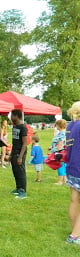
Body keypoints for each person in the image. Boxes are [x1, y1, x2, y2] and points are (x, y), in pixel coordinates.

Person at [65, 101, 80, 245]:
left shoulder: (70, 126)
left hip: (71, 168)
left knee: (74, 200)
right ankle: (75, 235)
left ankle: (74, 231)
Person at [10, 109, 28, 199]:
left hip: (20, 152)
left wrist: (20, 157)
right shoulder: (15, 126)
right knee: (15, 170)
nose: (11, 117)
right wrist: (11, 154)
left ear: (16, 116)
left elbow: (24, 143)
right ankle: (18, 187)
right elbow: (14, 142)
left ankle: (23, 191)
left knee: (20, 171)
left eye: (12, 115)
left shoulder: (23, 127)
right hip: (14, 151)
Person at [50, 119, 67, 185]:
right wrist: (51, 147)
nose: (55, 126)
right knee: (63, 166)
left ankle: (60, 181)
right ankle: (65, 180)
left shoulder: (62, 134)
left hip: (60, 152)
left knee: (60, 166)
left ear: (59, 125)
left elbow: (60, 144)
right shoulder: (62, 133)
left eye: (56, 125)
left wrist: (55, 151)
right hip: (62, 152)